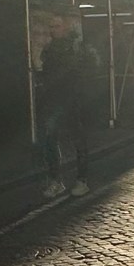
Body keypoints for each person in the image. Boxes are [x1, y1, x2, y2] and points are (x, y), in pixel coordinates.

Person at [35, 22, 99, 198]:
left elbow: (85, 74)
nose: (52, 29)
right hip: (54, 101)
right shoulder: (50, 50)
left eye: (56, 26)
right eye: (52, 26)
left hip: (72, 100)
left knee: (77, 140)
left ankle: (81, 180)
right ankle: (56, 180)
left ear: (66, 28)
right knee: (50, 139)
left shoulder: (77, 50)